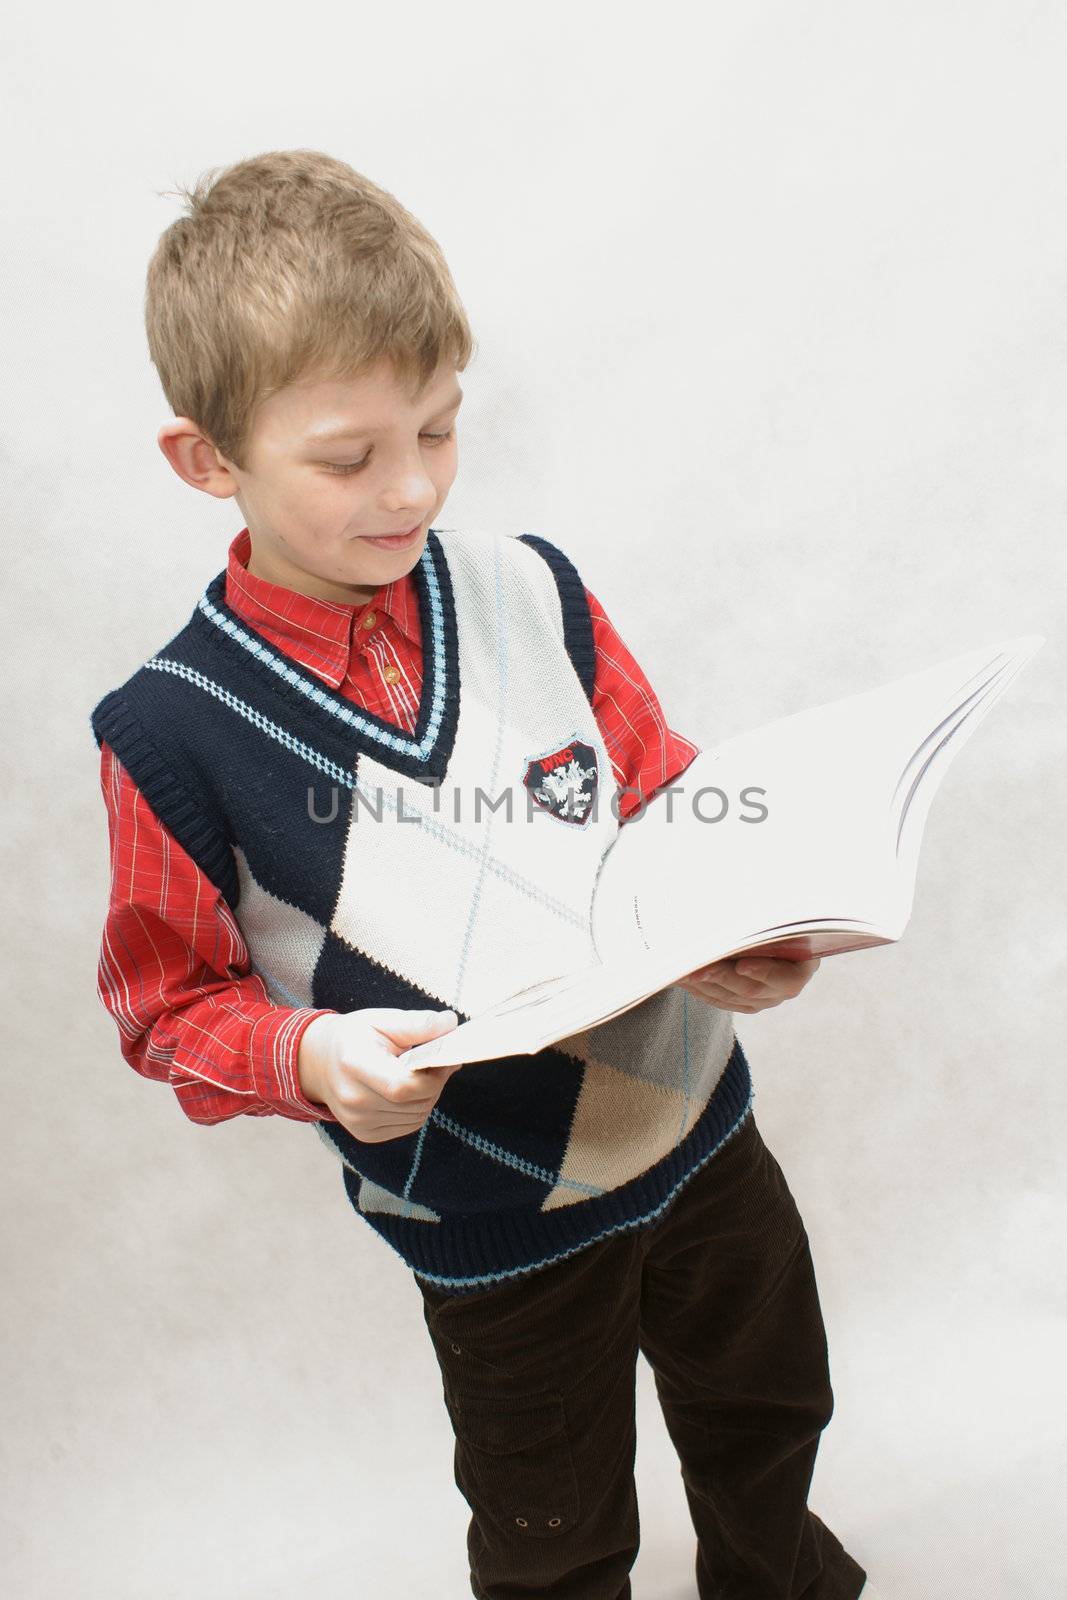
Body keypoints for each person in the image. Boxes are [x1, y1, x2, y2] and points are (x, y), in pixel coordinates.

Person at [90, 148, 869, 1599]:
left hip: (704, 1132)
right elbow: (164, 1007)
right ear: (207, 460)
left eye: (440, 430)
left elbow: (656, 797)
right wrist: (313, 1054)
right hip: (488, 1211)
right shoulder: (171, 732)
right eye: (348, 457)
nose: (413, 487)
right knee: (554, 1531)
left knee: (769, 1417)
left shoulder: (529, 589)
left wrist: (739, 919)